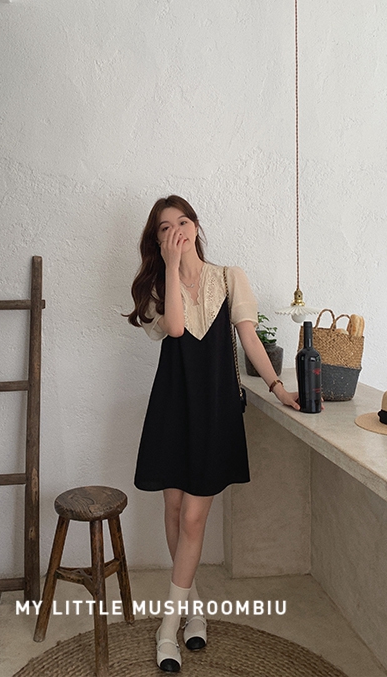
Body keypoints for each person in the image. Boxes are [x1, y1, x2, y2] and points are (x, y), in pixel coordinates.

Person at [126, 195, 300, 673]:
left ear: (196, 226)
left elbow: (248, 338)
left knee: (193, 519)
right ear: (157, 239)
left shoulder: (229, 277)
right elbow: (176, 329)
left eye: (183, 221)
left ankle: (167, 628)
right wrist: (170, 266)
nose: (176, 231)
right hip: (173, 406)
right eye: (165, 228)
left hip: (213, 409)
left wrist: (278, 387)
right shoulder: (158, 287)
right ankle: (194, 608)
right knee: (174, 510)